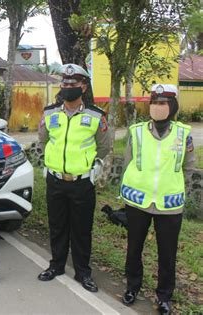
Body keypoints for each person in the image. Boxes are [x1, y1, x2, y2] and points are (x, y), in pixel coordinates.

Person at [120, 84, 195, 314]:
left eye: (162, 103)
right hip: (138, 202)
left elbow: (189, 167)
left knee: (167, 254)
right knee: (134, 249)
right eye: (154, 102)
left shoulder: (183, 133)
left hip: (169, 205)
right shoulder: (138, 131)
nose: (157, 107)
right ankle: (132, 287)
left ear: (172, 106)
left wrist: (176, 187)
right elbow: (128, 163)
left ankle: (164, 296)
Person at [37, 64, 111, 292]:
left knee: (81, 229)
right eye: (65, 84)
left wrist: (93, 171)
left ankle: (83, 271)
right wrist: (47, 164)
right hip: (55, 181)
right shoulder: (49, 113)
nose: (68, 87)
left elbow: (104, 148)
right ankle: (56, 265)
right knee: (57, 226)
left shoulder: (96, 116)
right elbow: (42, 140)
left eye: (73, 84)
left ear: (84, 87)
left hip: (82, 183)